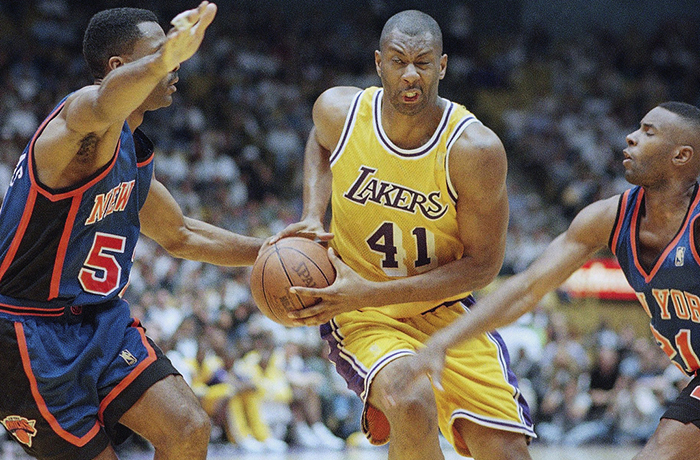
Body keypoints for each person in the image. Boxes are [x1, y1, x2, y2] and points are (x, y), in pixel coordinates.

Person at [0, 3, 264, 460]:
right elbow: (104, 102)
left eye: (172, 51)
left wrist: (274, 248)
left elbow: (181, 234)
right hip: (25, 330)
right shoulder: (78, 122)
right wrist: (163, 59)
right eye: (159, 52)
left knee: (188, 429)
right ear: (118, 66)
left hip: (100, 321)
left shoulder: (132, 153)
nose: (175, 63)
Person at [268, 9, 535, 460]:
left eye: (423, 63)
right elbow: (320, 140)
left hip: (445, 311)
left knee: (506, 452)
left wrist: (371, 291)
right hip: (360, 312)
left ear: (442, 67)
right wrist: (313, 213)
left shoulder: (474, 150)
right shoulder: (340, 112)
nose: (411, 74)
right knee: (411, 401)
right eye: (398, 61)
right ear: (379, 63)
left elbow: (483, 266)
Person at [385, 101, 700, 460]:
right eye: (637, 127)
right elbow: (527, 288)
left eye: (648, 132)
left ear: (681, 156)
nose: (631, 137)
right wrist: (441, 342)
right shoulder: (608, 218)